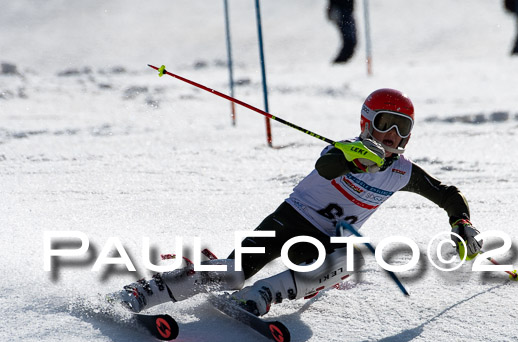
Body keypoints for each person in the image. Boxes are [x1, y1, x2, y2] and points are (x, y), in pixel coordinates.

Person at [112, 89, 483, 317]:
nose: (392, 135)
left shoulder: (402, 172)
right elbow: (326, 166)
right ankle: (147, 292)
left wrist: (461, 224)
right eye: (386, 123)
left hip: (326, 243)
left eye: (402, 128)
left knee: (345, 261)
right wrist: (354, 158)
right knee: (233, 272)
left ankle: (259, 297)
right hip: (289, 222)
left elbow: (447, 193)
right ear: (367, 122)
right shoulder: (345, 149)